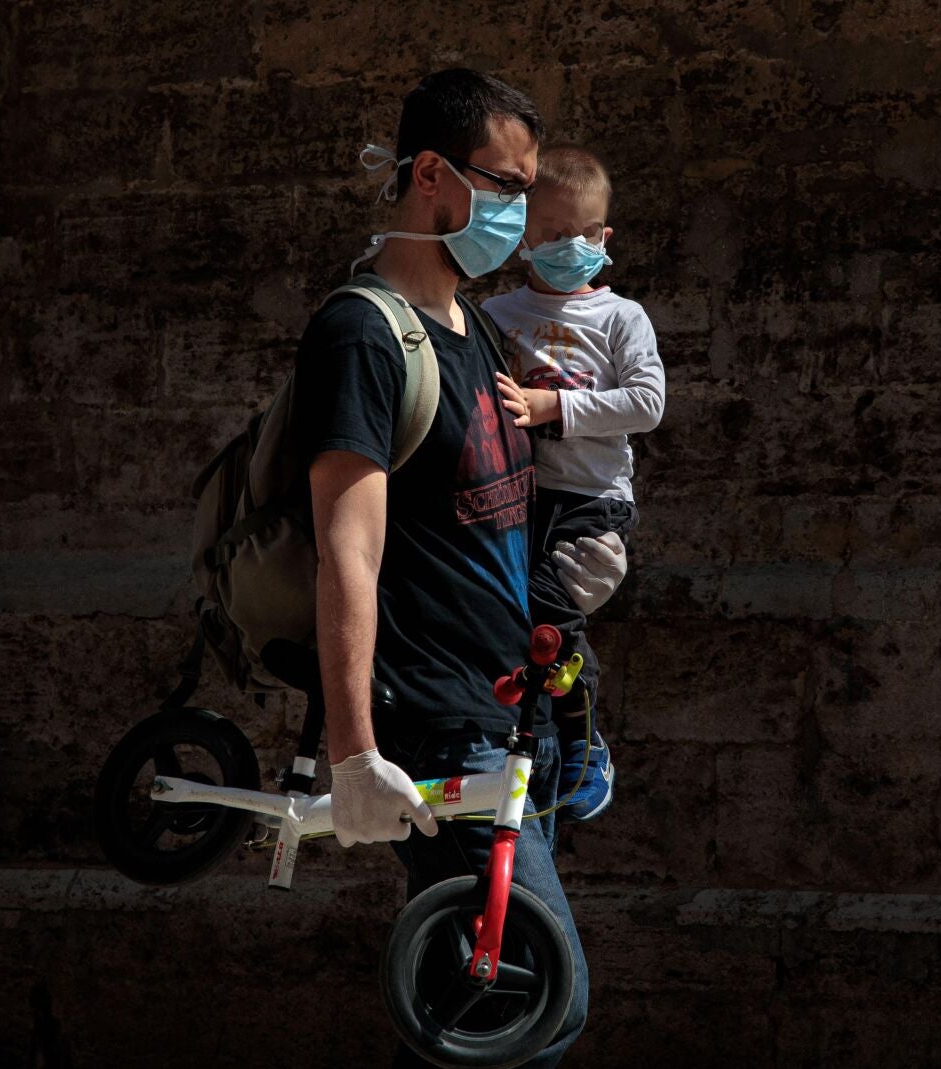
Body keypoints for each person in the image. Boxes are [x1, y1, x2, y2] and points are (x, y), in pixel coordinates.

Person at [288, 68, 587, 1066]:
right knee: (544, 1005)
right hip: (435, 721)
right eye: (506, 187)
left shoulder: (469, 330)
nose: (520, 215)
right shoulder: (361, 335)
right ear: (430, 175)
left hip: (507, 719)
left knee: (478, 1010)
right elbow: (349, 546)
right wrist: (353, 754)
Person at [486, 144, 665, 822]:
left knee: (549, 613)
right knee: (520, 620)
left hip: (593, 502)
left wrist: (552, 407)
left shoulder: (621, 317)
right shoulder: (497, 316)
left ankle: (586, 746)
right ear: (524, 236)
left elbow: (647, 402)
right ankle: (535, 743)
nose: (570, 247)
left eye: (584, 234)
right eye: (554, 233)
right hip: (519, 498)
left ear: (605, 237)